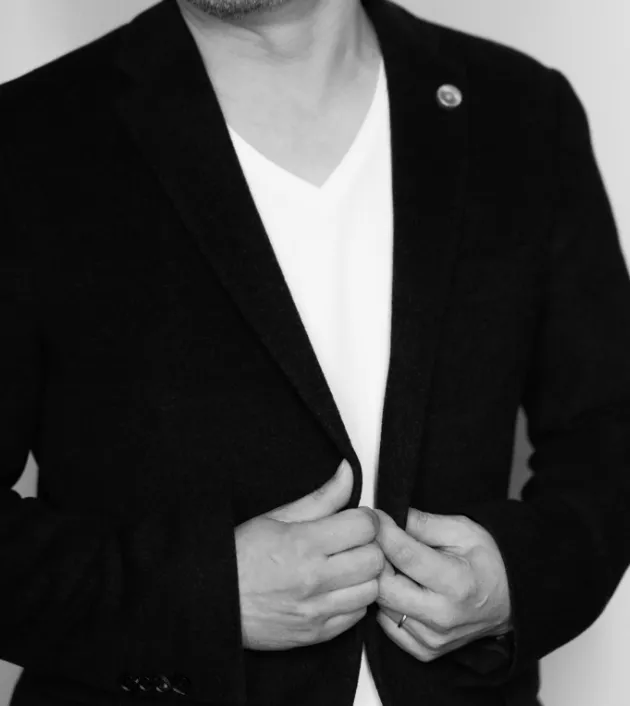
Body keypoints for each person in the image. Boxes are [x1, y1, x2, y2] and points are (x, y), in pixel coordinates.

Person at [1, 0, 629, 704]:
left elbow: (608, 434)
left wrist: (519, 580)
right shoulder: (26, 140)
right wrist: (198, 600)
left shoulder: (522, 112)